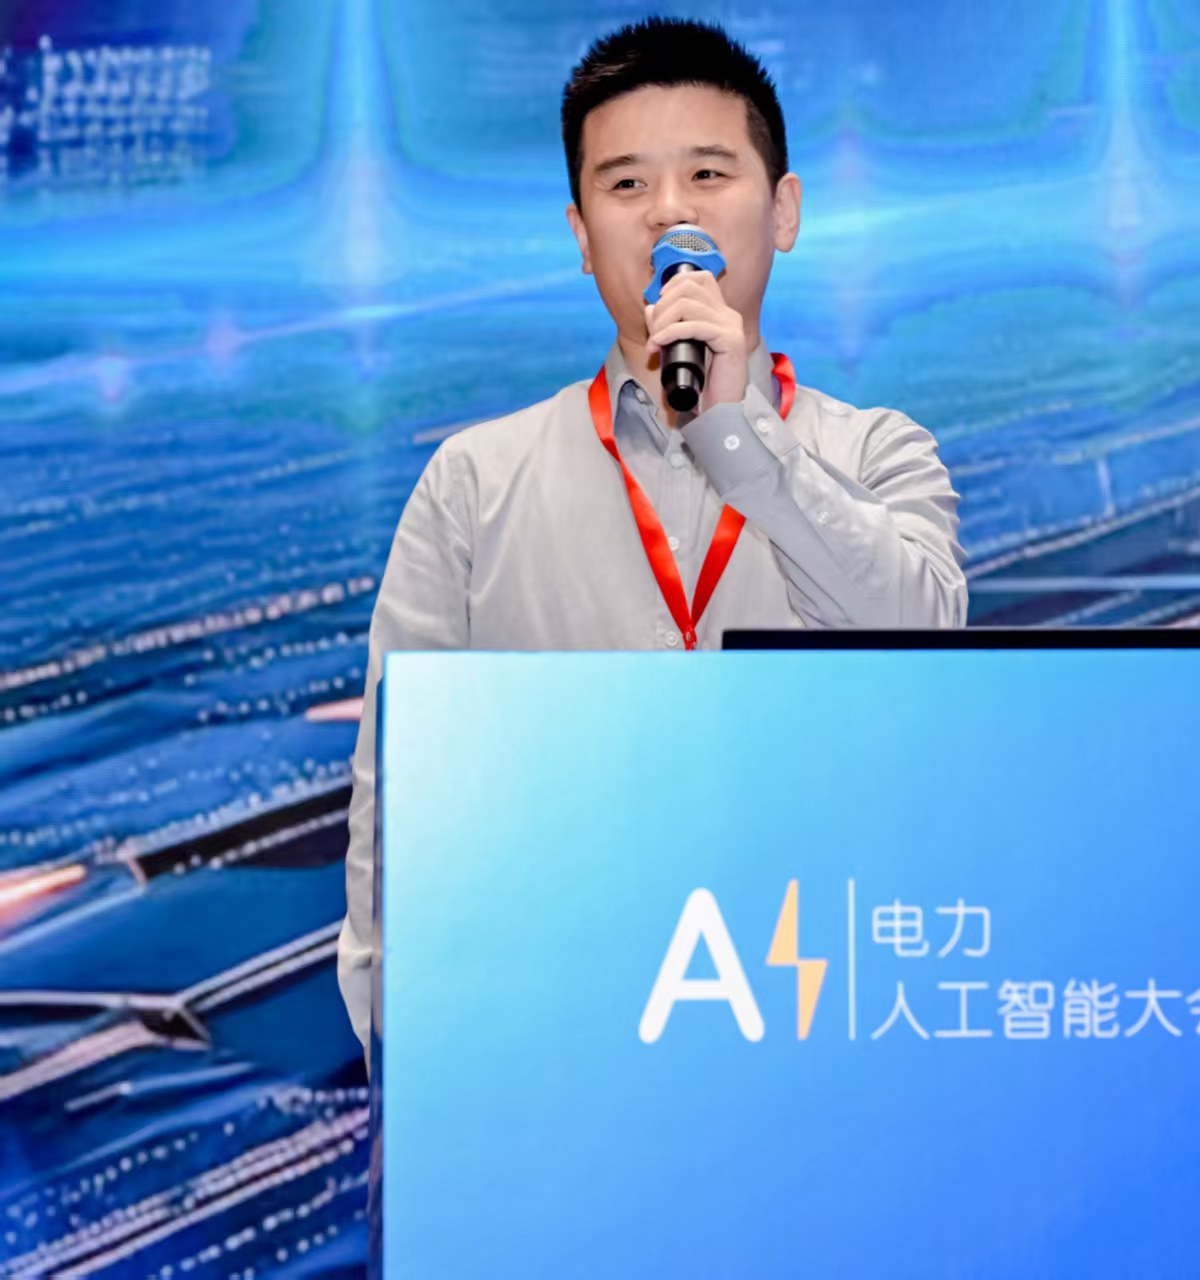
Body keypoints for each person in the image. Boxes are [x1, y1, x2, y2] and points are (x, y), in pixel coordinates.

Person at [335, 17, 967, 1059]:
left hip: (824, 1013)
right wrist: (410, 1064)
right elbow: (399, 801)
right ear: (583, 236)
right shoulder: (474, 482)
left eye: (708, 174)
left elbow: (923, 644)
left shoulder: (878, 455)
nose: (671, 212)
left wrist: (739, 433)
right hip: (558, 1034)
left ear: (784, 210)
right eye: (626, 185)